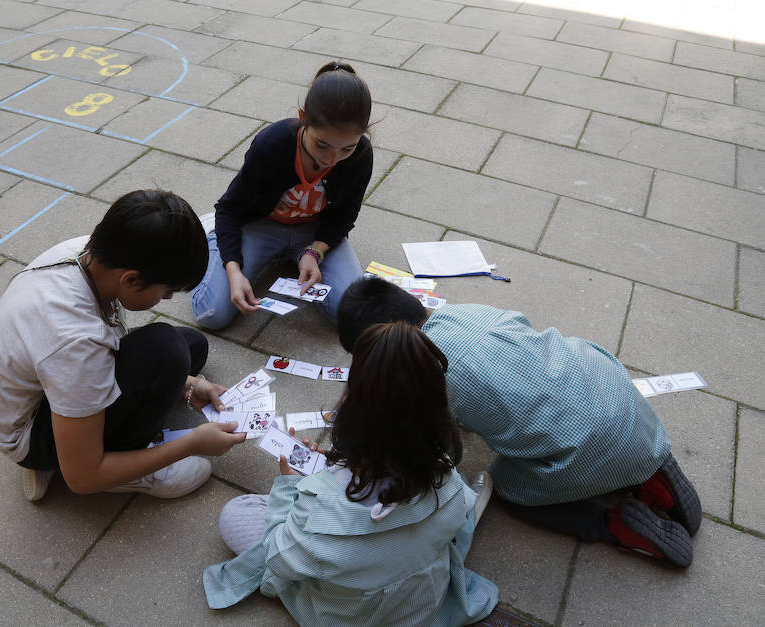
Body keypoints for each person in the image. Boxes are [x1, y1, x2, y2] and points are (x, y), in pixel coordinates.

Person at [336, 278, 702, 568]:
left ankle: (612, 525)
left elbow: (439, 451)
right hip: (618, 395)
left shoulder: (424, 376)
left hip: (588, 445)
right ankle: (653, 475)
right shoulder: (464, 312)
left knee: (509, 491)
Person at [203, 322, 499, 626]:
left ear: (352, 413)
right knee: (453, 505)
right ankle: (467, 516)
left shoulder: (318, 510)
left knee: (236, 513)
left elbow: (278, 558)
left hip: (346, 612)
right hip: (416, 604)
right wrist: (336, 468)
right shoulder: (447, 481)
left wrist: (292, 486)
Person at [0, 190, 246, 502]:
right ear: (130, 280)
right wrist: (191, 444)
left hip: (41, 390)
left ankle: (77, 440)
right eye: (165, 292)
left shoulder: (87, 253)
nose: (166, 300)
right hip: (29, 436)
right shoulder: (74, 341)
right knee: (168, 350)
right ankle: (119, 469)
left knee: (190, 346)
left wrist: (188, 385)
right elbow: (82, 479)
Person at [191, 61, 373, 329]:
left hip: (313, 232)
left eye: (346, 148)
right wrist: (233, 269)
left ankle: (292, 256)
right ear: (303, 118)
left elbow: (346, 215)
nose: (331, 159)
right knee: (212, 314)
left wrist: (316, 251)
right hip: (261, 226)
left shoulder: (361, 154)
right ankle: (215, 242)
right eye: (322, 144)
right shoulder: (272, 144)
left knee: (354, 316)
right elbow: (229, 208)